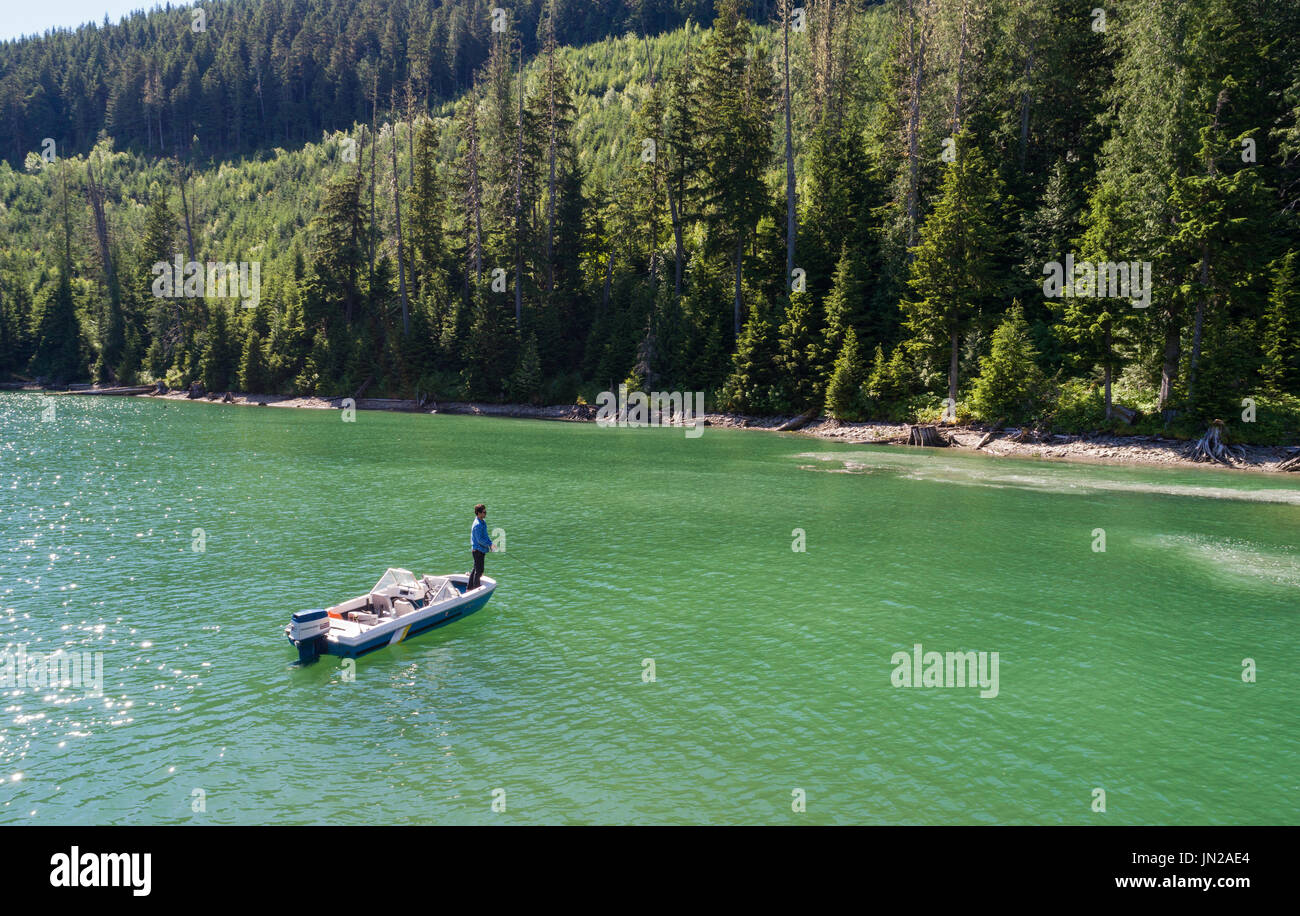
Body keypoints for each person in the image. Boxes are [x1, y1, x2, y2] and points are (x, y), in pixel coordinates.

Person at [469, 503, 493, 590]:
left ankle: (469, 587)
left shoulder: (483, 522)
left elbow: (485, 536)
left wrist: (491, 543)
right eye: (484, 512)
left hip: (482, 550)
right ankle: (476, 588)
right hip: (477, 550)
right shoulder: (477, 525)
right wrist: (489, 544)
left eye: (485, 512)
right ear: (478, 513)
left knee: (476, 568)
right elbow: (480, 540)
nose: (485, 513)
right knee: (479, 571)